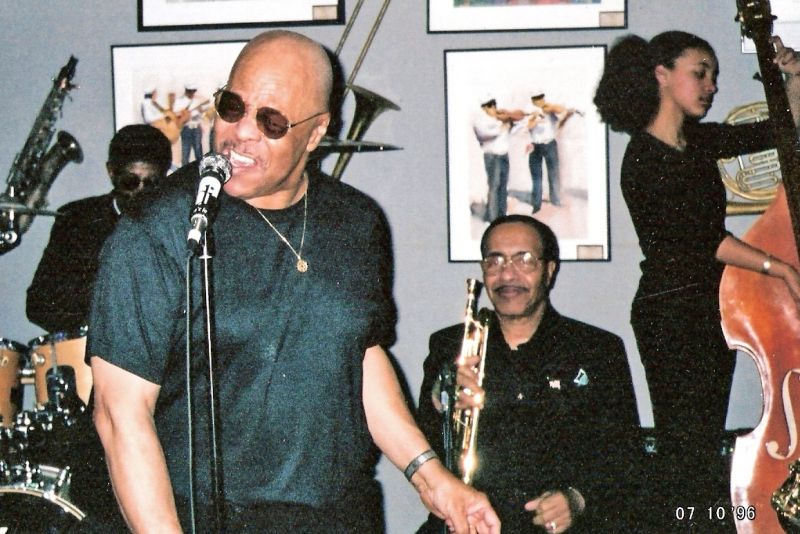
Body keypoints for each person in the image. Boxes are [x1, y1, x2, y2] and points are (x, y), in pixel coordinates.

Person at [88, 30, 500, 534]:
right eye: (232, 107)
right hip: (206, 518)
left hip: (342, 515)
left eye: (272, 121)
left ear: (317, 131)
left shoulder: (355, 221)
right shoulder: (158, 227)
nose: (241, 131)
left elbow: (357, 356)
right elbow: (119, 414)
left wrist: (431, 477)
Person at [594, 31, 800, 530]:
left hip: (707, 307)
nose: (711, 86)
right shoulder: (643, 157)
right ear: (661, 74)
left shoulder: (698, 140)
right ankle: (689, 525)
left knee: (701, 444)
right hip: (669, 312)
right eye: (700, 73)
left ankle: (700, 524)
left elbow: (781, 128)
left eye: (714, 75)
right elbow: (700, 239)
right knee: (686, 447)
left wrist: (793, 78)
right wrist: (780, 267)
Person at [416, 215, 642, 533]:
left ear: (549, 270)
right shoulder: (449, 346)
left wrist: (578, 499)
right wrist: (442, 402)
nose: (507, 274)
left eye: (524, 260)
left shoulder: (597, 349)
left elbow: (626, 456)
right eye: (495, 261)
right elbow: (420, 450)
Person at [26, 124, 172, 334]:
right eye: (130, 182)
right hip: (92, 347)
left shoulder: (179, 226)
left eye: (151, 184)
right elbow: (38, 304)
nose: (140, 193)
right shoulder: (75, 220)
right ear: (111, 172)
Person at [472, 94, 523, 222]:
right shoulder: (480, 121)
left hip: (503, 155)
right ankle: (493, 217)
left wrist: (510, 118)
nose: (493, 107)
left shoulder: (499, 119)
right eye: (490, 105)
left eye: (494, 104)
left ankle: (502, 215)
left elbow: (515, 128)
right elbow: (485, 134)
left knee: (503, 186)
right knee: (494, 186)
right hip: (492, 157)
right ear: (484, 108)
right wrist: (503, 126)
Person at [525, 92, 575, 212]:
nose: (540, 101)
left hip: (550, 144)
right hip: (535, 146)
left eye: (541, 98)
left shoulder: (550, 111)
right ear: (533, 101)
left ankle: (555, 200)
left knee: (554, 174)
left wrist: (567, 116)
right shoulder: (531, 111)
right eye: (537, 99)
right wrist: (536, 118)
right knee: (537, 177)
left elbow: (558, 123)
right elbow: (528, 126)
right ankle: (536, 204)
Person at [174, 83, 210, 166]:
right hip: (186, 128)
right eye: (190, 91)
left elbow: (203, 113)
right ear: (187, 91)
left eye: (193, 91)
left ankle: (199, 170)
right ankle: (184, 171)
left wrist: (200, 111)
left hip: (196, 127)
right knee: (185, 152)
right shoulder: (180, 101)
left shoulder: (197, 101)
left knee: (198, 152)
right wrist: (186, 114)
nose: (192, 93)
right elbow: (176, 114)